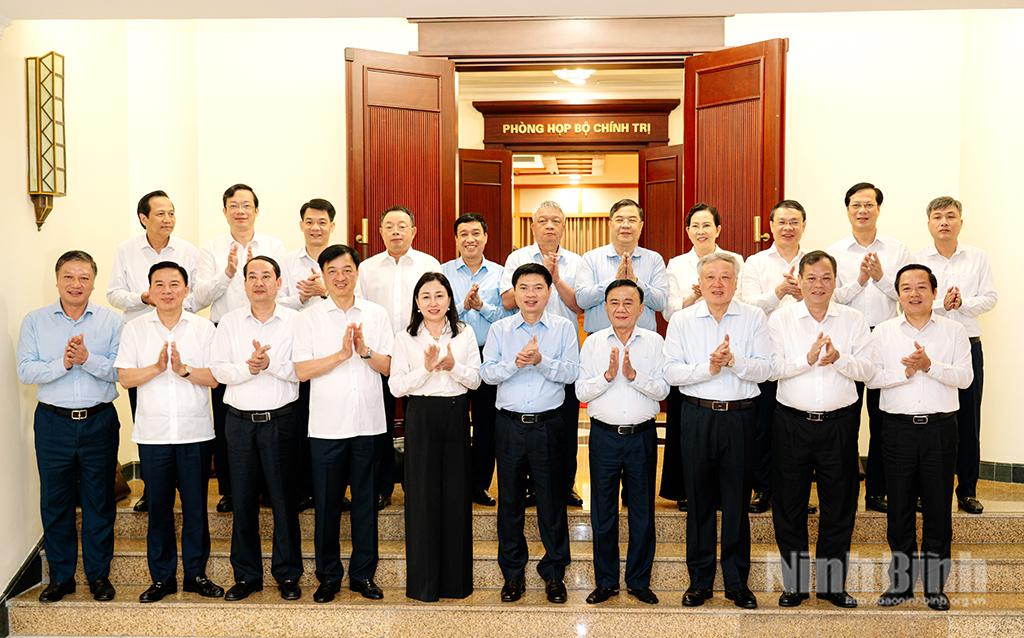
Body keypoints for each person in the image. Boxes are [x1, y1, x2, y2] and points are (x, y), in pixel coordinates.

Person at [664, 253, 770, 610]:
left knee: (737, 501)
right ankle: (700, 581)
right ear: (700, 282)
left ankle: (738, 583)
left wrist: (734, 361)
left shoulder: (753, 317)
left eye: (725, 277)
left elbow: (766, 369)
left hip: (740, 418)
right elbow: (672, 373)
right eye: (711, 277)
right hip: (697, 417)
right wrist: (707, 367)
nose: (718, 283)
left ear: (736, 282)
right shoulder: (682, 320)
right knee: (699, 502)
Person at [768, 251, 872, 609]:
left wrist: (840, 358)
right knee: (789, 504)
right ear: (799, 279)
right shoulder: (782, 319)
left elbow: (868, 370)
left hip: (839, 425)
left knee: (839, 505)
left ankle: (831, 585)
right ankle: (794, 585)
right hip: (791, 423)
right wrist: (808, 360)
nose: (818, 285)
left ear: (835, 280)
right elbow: (772, 368)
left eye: (826, 278)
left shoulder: (854, 319)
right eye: (811, 278)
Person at [115, 261, 224, 603]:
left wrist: (183, 370)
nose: (166, 290)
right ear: (149, 291)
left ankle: (195, 574)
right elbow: (125, 378)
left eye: (174, 284)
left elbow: (216, 378)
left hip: (195, 433)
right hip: (153, 435)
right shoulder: (135, 329)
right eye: (159, 284)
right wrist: (157, 368)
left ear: (186, 290)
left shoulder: (203, 329)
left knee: (195, 508)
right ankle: (161, 579)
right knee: (159, 509)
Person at [17, 250, 122, 603]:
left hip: (99, 421)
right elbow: (26, 370)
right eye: (69, 277)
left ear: (94, 281)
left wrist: (87, 360)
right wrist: (62, 364)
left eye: (83, 278)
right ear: (57, 280)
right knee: (55, 502)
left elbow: (121, 372)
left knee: (99, 501)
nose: (76, 284)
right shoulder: (35, 321)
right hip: (53, 423)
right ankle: (61, 578)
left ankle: (98, 576)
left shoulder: (112, 321)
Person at [870, 264, 973, 612]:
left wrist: (929, 365)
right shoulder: (883, 332)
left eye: (920, 287)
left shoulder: (954, 331)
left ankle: (934, 585)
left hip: (940, 430)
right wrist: (907, 371)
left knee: (937, 509)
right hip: (897, 430)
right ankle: (899, 584)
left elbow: (965, 379)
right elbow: (872, 378)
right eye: (906, 288)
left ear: (933, 292)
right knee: (898, 508)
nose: (913, 294)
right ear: (897, 294)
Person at [294, 244, 393, 603]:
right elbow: (302, 371)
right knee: (327, 505)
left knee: (366, 503)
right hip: (326, 427)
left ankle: (363, 575)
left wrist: (365, 351)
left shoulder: (376, 314)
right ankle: (328, 576)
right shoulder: (308, 318)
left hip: (367, 423)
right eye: (332, 271)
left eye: (347, 269)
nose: (340, 277)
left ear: (357, 272)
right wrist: (339, 355)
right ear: (323, 275)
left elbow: (390, 367)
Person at [481, 263, 579, 604]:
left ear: (548, 291)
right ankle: (512, 574)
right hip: (508, 425)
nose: (531, 294)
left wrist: (541, 360)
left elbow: (571, 374)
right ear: (515, 292)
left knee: (551, 502)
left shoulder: (564, 328)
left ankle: (554, 573)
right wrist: (516, 364)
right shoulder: (501, 330)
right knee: (509, 503)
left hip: (548, 426)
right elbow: (487, 373)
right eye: (524, 288)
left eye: (538, 287)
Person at [210, 256, 303, 601]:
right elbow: (218, 371)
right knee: (243, 501)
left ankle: (288, 574)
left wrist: (271, 364)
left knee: (283, 501)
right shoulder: (230, 323)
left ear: (279, 283)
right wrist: (249, 368)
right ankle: (247, 576)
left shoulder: (295, 321)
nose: (260, 282)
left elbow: (301, 370)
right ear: (244, 283)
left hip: (281, 421)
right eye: (253, 276)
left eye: (267, 276)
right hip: (239, 424)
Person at [194, 183, 286, 513]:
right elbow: (199, 297)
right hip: (227, 330)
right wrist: (228, 273)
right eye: (234, 205)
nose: (241, 211)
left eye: (247, 205)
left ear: (257, 211)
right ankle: (232, 489)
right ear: (225, 211)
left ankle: (267, 488)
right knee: (228, 414)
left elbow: (281, 290)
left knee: (271, 416)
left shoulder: (274, 245)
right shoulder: (211, 249)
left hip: (269, 329)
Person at [389, 272, 481, 602]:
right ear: (416, 302)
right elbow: (396, 386)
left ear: (449, 300)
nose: (433, 302)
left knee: (456, 496)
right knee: (422, 498)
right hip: (421, 417)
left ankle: (456, 583)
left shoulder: (464, 333)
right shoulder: (405, 338)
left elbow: (475, 381)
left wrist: (453, 366)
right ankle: (424, 585)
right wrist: (426, 370)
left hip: (456, 415)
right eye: (426, 296)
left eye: (439, 295)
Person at [107, 190, 200, 513]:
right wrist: (143, 298)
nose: (168, 219)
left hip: (182, 333)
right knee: (145, 413)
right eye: (160, 214)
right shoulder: (127, 251)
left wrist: (174, 302)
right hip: (142, 338)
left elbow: (196, 294)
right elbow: (113, 294)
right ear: (144, 218)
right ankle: (153, 487)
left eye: (172, 213)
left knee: (187, 404)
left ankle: (186, 484)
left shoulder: (188, 250)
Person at [577, 279, 668, 606]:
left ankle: (639, 581)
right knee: (603, 513)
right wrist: (607, 376)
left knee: (642, 512)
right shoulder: (593, 343)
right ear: (605, 307)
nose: (621, 309)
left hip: (642, 436)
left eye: (629, 302)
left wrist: (633, 377)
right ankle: (605, 582)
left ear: (641, 309)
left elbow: (663, 391)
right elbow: (580, 392)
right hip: (603, 436)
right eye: (614, 302)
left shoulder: (655, 343)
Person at [827, 182, 910, 514]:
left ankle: (877, 491)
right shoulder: (835, 251)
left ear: (878, 208)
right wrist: (861, 280)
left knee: (883, 419)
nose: (862, 210)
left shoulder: (898, 249)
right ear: (847, 210)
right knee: (845, 418)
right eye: (856, 205)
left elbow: (906, 295)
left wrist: (881, 278)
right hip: (848, 340)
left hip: (886, 339)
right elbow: (830, 296)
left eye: (869, 205)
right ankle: (846, 489)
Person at [914, 196, 997, 514]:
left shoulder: (977, 257)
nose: (944, 222)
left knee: (968, 420)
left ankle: (968, 490)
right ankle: (925, 491)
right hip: (928, 346)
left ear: (961, 221)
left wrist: (963, 304)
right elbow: (908, 299)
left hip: (966, 344)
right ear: (929, 224)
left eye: (951, 216)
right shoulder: (918, 258)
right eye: (938, 216)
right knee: (929, 419)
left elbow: (990, 297)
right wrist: (940, 305)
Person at [356, 205, 441, 510]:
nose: (395, 231)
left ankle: (415, 484)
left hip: (417, 353)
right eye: (389, 226)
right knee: (380, 422)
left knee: (418, 422)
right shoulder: (366, 268)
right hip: (377, 354)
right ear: (380, 232)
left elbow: (439, 308)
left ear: (413, 231)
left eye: (402, 226)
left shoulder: (429, 264)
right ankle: (382, 486)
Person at [662, 202, 745, 511]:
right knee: (687, 426)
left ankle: (728, 490)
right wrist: (695, 295)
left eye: (706, 225)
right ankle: (687, 489)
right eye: (694, 226)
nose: (701, 231)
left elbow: (743, 298)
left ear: (718, 230)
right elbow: (670, 311)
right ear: (688, 231)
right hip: (690, 350)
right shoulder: (677, 264)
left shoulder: (734, 260)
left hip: (728, 347)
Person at [501, 201, 584, 507]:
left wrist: (556, 279)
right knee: (527, 426)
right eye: (543, 220)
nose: (549, 226)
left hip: (561, 350)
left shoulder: (576, 262)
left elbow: (579, 306)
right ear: (533, 226)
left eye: (556, 221)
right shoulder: (516, 258)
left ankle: (565, 485)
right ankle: (527, 485)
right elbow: (508, 301)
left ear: (564, 227)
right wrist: (537, 281)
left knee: (564, 423)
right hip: (521, 352)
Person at [740, 199, 809, 515]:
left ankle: (797, 494)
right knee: (764, 427)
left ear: (803, 226)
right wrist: (779, 292)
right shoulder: (755, 263)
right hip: (767, 354)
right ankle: (763, 488)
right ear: (770, 226)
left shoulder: (815, 261)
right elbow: (749, 307)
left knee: (799, 431)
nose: (788, 227)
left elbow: (827, 298)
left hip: (804, 356)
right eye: (782, 221)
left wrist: (804, 294)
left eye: (794, 221)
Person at [441, 213, 510, 506]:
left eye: (475, 234)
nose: (470, 239)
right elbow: (437, 311)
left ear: (486, 238)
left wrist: (482, 307)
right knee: (453, 422)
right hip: (452, 354)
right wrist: (462, 307)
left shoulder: (500, 273)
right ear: (456, 239)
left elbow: (507, 315)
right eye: (463, 234)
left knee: (486, 424)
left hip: (487, 353)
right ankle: (453, 483)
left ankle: (479, 484)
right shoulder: (442, 272)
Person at [279, 197, 338, 513]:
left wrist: (325, 292)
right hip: (300, 353)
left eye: (322, 222)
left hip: (336, 354)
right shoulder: (287, 262)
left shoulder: (341, 259)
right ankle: (304, 489)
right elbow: (273, 302)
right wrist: (302, 297)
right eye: (310, 222)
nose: (316, 228)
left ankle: (333, 489)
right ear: (301, 225)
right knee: (301, 422)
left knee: (334, 424)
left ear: (332, 226)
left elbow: (354, 298)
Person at [575, 198, 668, 333]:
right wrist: (614, 281)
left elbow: (661, 303)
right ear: (610, 225)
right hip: (599, 341)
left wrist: (636, 282)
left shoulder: (654, 259)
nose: (625, 225)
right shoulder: (591, 258)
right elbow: (582, 300)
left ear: (641, 226)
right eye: (619, 220)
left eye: (632, 220)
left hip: (644, 342)